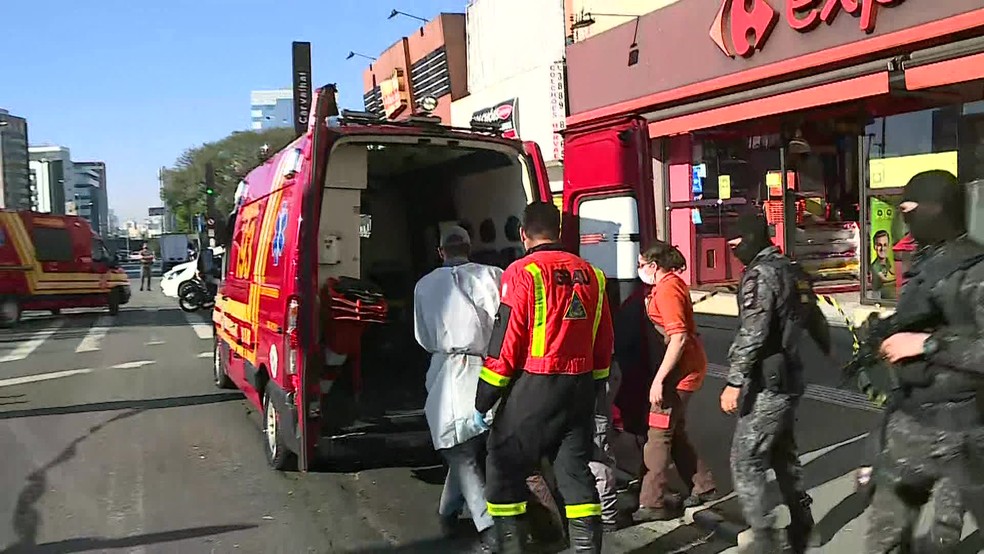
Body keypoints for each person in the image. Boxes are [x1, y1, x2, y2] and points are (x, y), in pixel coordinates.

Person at [475, 202, 614, 553]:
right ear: (561, 231)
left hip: (536, 385)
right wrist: (596, 385)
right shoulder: (593, 274)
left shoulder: (523, 272)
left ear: (523, 234)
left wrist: (485, 396)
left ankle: (511, 546)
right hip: (580, 386)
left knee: (502, 462)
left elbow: (506, 340)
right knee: (574, 471)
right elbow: (603, 339)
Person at [864, 170, 984, 552]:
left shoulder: (976, 270)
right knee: (887, 532)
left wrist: (927, 345)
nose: (905, 217)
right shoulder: (928, 260)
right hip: (913, 419)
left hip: (965, 426)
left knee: (938, 528)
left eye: (910, 209)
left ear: (938, 209)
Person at [722, 211, 829, 554]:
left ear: (751, 238)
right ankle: (803, 528)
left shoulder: (760, 274)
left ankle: (763, 540)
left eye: (736, 242)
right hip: (790, 376)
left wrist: (734, 382)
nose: (733, 248)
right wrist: (834, 354)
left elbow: (753, 332)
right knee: (783, 455)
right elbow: (816, 317)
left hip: (767, 382)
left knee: (746, 459)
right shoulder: (792, 268)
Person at [412, 225, 502, 553]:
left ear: (441, 252)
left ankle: (487, 525)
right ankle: (448, 514)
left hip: (445, 370)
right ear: (469, 246)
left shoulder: (424, 286)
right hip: (489, 366)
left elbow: (422, 334)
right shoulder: (494, 275)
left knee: (459, 450)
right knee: (465, 447)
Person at [635, 241, 717, 521]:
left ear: (654, 266)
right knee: (674, 432)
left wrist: (659, 380)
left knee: (658, 437)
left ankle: (652, 502)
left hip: (678, 374)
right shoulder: (670, 284)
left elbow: (678, 336)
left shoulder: (668, 288)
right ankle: (703, 486)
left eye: (641, 264)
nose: (639, 270)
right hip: (684, 370)